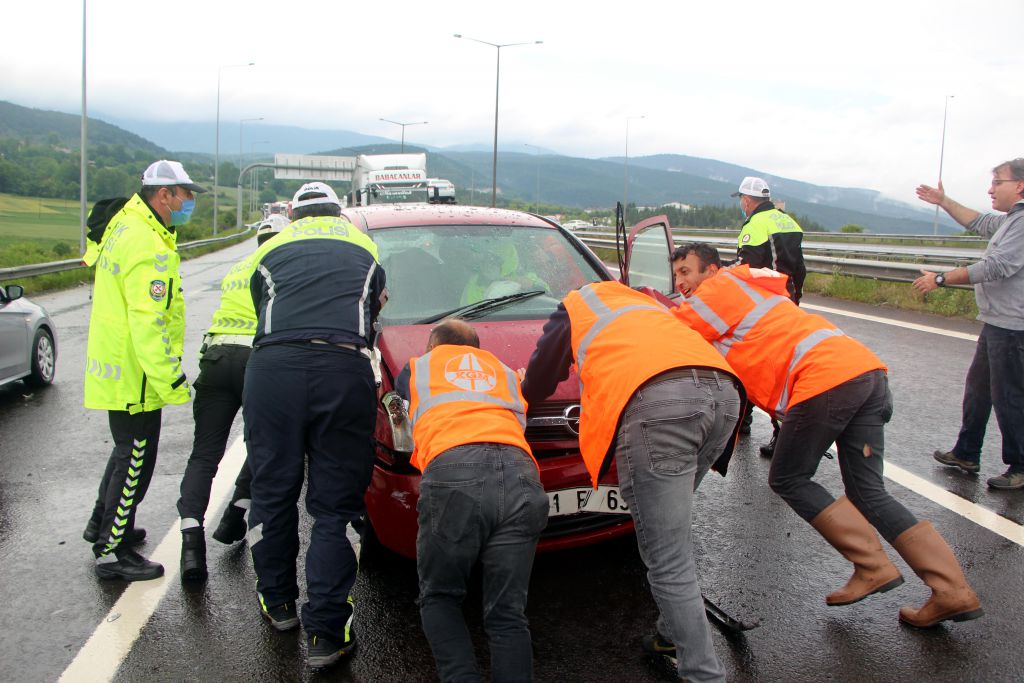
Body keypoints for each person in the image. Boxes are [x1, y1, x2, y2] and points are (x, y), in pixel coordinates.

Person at [672, 243, 983, 628]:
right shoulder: (750, 288)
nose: (680, 281)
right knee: (868, 492)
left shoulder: (718, 290)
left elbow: (670, 328)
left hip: (823, 381)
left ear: (711, 270)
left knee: (789, 477)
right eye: (676, 274)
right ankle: (953, 590)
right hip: (864, 373)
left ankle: (872, 567)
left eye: (687, 271)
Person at [521, 280, 743, 683]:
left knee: (667, 556)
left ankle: (704, 674)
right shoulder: (643, 305)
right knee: (672, 536)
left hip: (661, 404)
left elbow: (539, 382)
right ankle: (671, 633)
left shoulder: (576, 305)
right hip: (725, 394)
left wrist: (517, 395)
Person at [243, 182, 387, 669]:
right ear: (338, 212)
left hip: (273, 369)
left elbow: (261, 308)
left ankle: (278, 602)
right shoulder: (364, 244)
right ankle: (327, 632)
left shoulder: (272, 244)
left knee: (272, 489)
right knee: (335, 505)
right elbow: (373, 311)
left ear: (292, 214)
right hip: (342, 366)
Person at [394, 319, 548, 683]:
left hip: (454, 471)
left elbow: (405, 407)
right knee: (508, 613)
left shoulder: (418, 368)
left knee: (440, 598)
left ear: (433, 347)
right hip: (522, 475)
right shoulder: (505, 373)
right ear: (478, 350)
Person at [82, 160, 206, 581]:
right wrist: (171, 378)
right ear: (163, 195)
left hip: (119, 362)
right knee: (136, 458)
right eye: (185, 194)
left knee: (125, 452)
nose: (189, 202)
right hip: (135, 370)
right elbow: (148, 321)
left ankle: (103, 523)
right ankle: (111, 550)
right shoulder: (147, 243)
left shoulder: (126, 225)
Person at [176, 214, 289, 582]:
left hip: (216, 357)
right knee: (266, 440)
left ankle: (191, 545)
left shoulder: (238, 267)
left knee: (204, 454)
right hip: (256, 360)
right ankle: (235, 514)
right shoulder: (283, 263)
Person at [912, 159, 1024, 491]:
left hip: (1013, 327)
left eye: (998, 182)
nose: (990, 189)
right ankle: (966, 452)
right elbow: (978, 221)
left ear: (1020, 185)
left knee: (1008, 396)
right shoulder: (1011, 220)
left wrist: (942, 278)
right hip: (998, 322)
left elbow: (996, 266)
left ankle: (1020, 465)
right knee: (978, 391)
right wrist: (943, 201)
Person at [731, 176, 807, 450]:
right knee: (779, 363)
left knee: (757, 363)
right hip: (788, 301)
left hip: (764, 305)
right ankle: (746, 421)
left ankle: (770, 430)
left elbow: (746, 267)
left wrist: (723, 272)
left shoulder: (755, 224)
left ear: (747, 200)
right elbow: (800, 268)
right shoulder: (787, 221)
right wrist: (794, 298)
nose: (742, 204)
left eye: (741, 199)